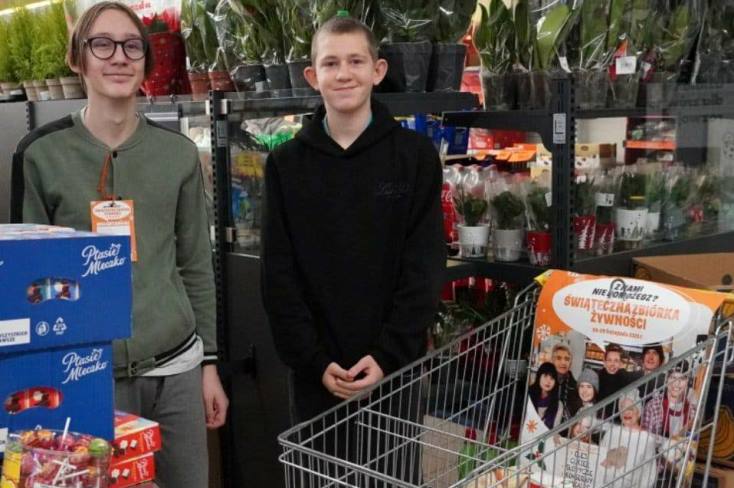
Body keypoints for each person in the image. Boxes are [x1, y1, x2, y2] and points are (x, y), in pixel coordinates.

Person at [10, 3, 228, 486]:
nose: (119, 57)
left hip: (176, 368)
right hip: (85, 374)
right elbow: (28, 281)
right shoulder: (41, 154)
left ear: (146, 61)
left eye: (132, 46)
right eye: (102, 44)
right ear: (77, 59)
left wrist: (209, 365)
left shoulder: (177, 154)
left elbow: (196, 263)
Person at [260, 11, 445, 476]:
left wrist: (387, 355)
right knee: (318, 478)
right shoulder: (285, 165)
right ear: (311, 76)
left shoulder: (415, 157)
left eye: (356, 61)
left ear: (378, 71)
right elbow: (278, 276)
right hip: (316, 374)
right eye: (330, 63)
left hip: (394, 372)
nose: (344, 73)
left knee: (393, 477)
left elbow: (423, 268)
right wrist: (313, 359)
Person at [599, 390, 658, 488]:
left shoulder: (647, 439)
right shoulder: (611, 433)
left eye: (631, 408)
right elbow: (599, 460)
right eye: (623, 408)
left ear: (638, 412)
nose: (626, 412)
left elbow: (648, 475)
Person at [641, 362, 695, 438]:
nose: (677, 383)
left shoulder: (692, 410)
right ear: (667, 380)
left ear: (687, 382)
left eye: (682, 378)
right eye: (673, 378)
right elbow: (645, 438)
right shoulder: (653, 406)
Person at [598, 344, 633, 418]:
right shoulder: (596, 378)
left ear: (620, 363)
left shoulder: (626, 379)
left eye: (616, 361)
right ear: (604, 362)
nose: (612, 364)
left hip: (617, 420)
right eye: (609, 360)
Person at [528, 362, 564, 429]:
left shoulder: (558, 405)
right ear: (539, 377)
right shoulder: (528, 397)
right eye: (545, 376)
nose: (548, 381)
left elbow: (555, 430)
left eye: (552, 378)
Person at [552, 343, 577, 412]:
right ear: (552, 360)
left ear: (570, 363)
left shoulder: (575, 388)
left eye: (567, 359)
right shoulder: (544, 383)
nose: (563, 362)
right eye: (559, 358)